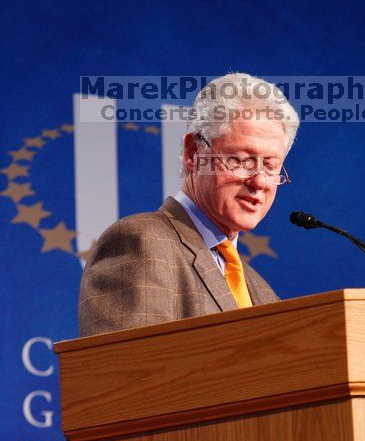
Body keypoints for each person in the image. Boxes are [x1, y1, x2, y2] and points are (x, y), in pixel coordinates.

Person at [79, 73, 300, 336]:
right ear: (193, 153)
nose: (260, 182)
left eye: (271, 166)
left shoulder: (262, 291)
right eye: (242, 160)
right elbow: (126, 372)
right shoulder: (143, 243)